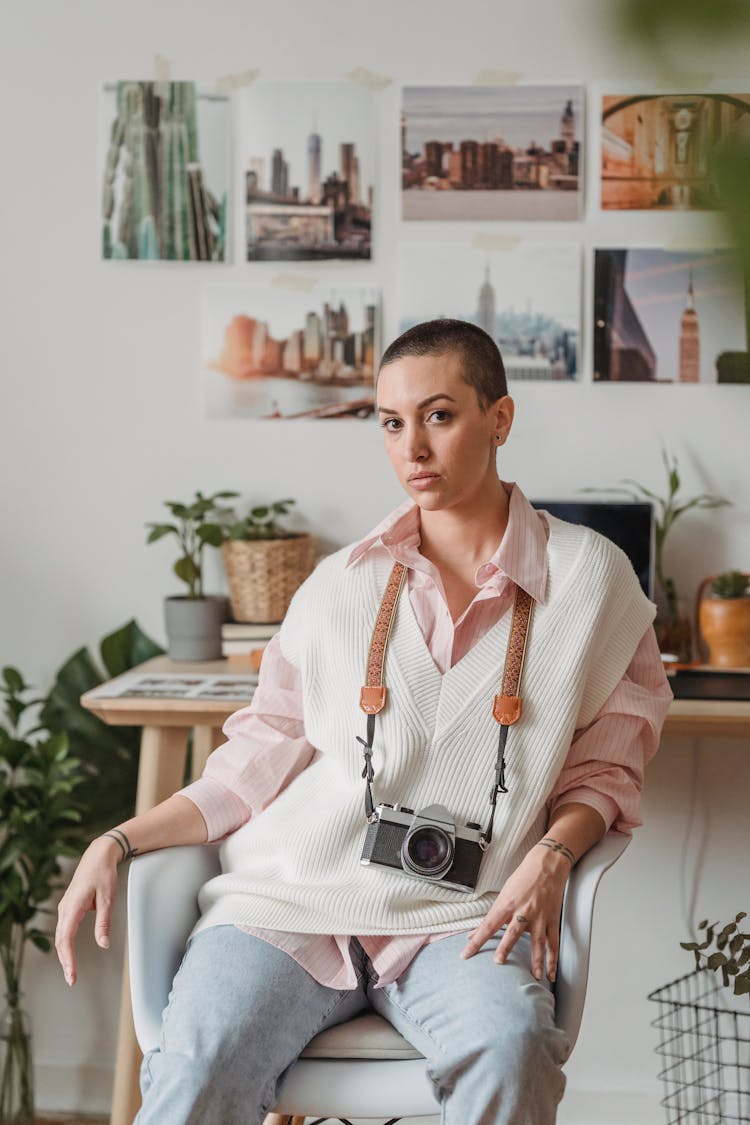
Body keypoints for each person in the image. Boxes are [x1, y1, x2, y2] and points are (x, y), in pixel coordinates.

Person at [56, 319, 672, 1125]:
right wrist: (120, 839)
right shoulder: (336, 585)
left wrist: (554, 853)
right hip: (289, 904)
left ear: (500, 419)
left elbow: (606, 768)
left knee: (511, 1041)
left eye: (439, 415)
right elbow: (257, 757)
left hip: (464, 918)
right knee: (197, 1063)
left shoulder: (592, 578)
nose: (412, 446)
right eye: (390, 422)